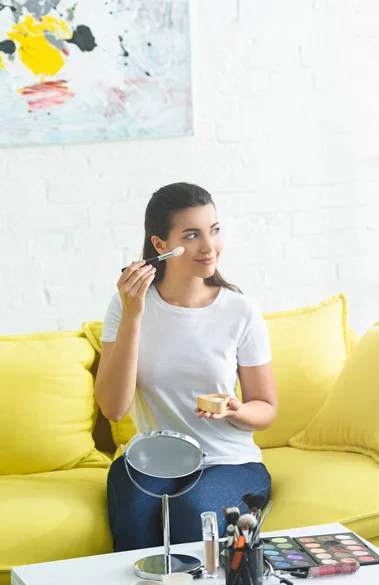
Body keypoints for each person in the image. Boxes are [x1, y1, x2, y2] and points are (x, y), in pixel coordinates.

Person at [95, 182, 278, 551]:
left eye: (214, 230)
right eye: (192, 235)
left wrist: (235, 409)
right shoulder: (126, 306)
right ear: (160, 246)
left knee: (193, 513)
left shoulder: (240, 311)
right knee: (138, 509)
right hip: (153, 458)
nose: (209, 247)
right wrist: (133, 315)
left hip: (229, 461)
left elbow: (266, 408)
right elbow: (114, 409)